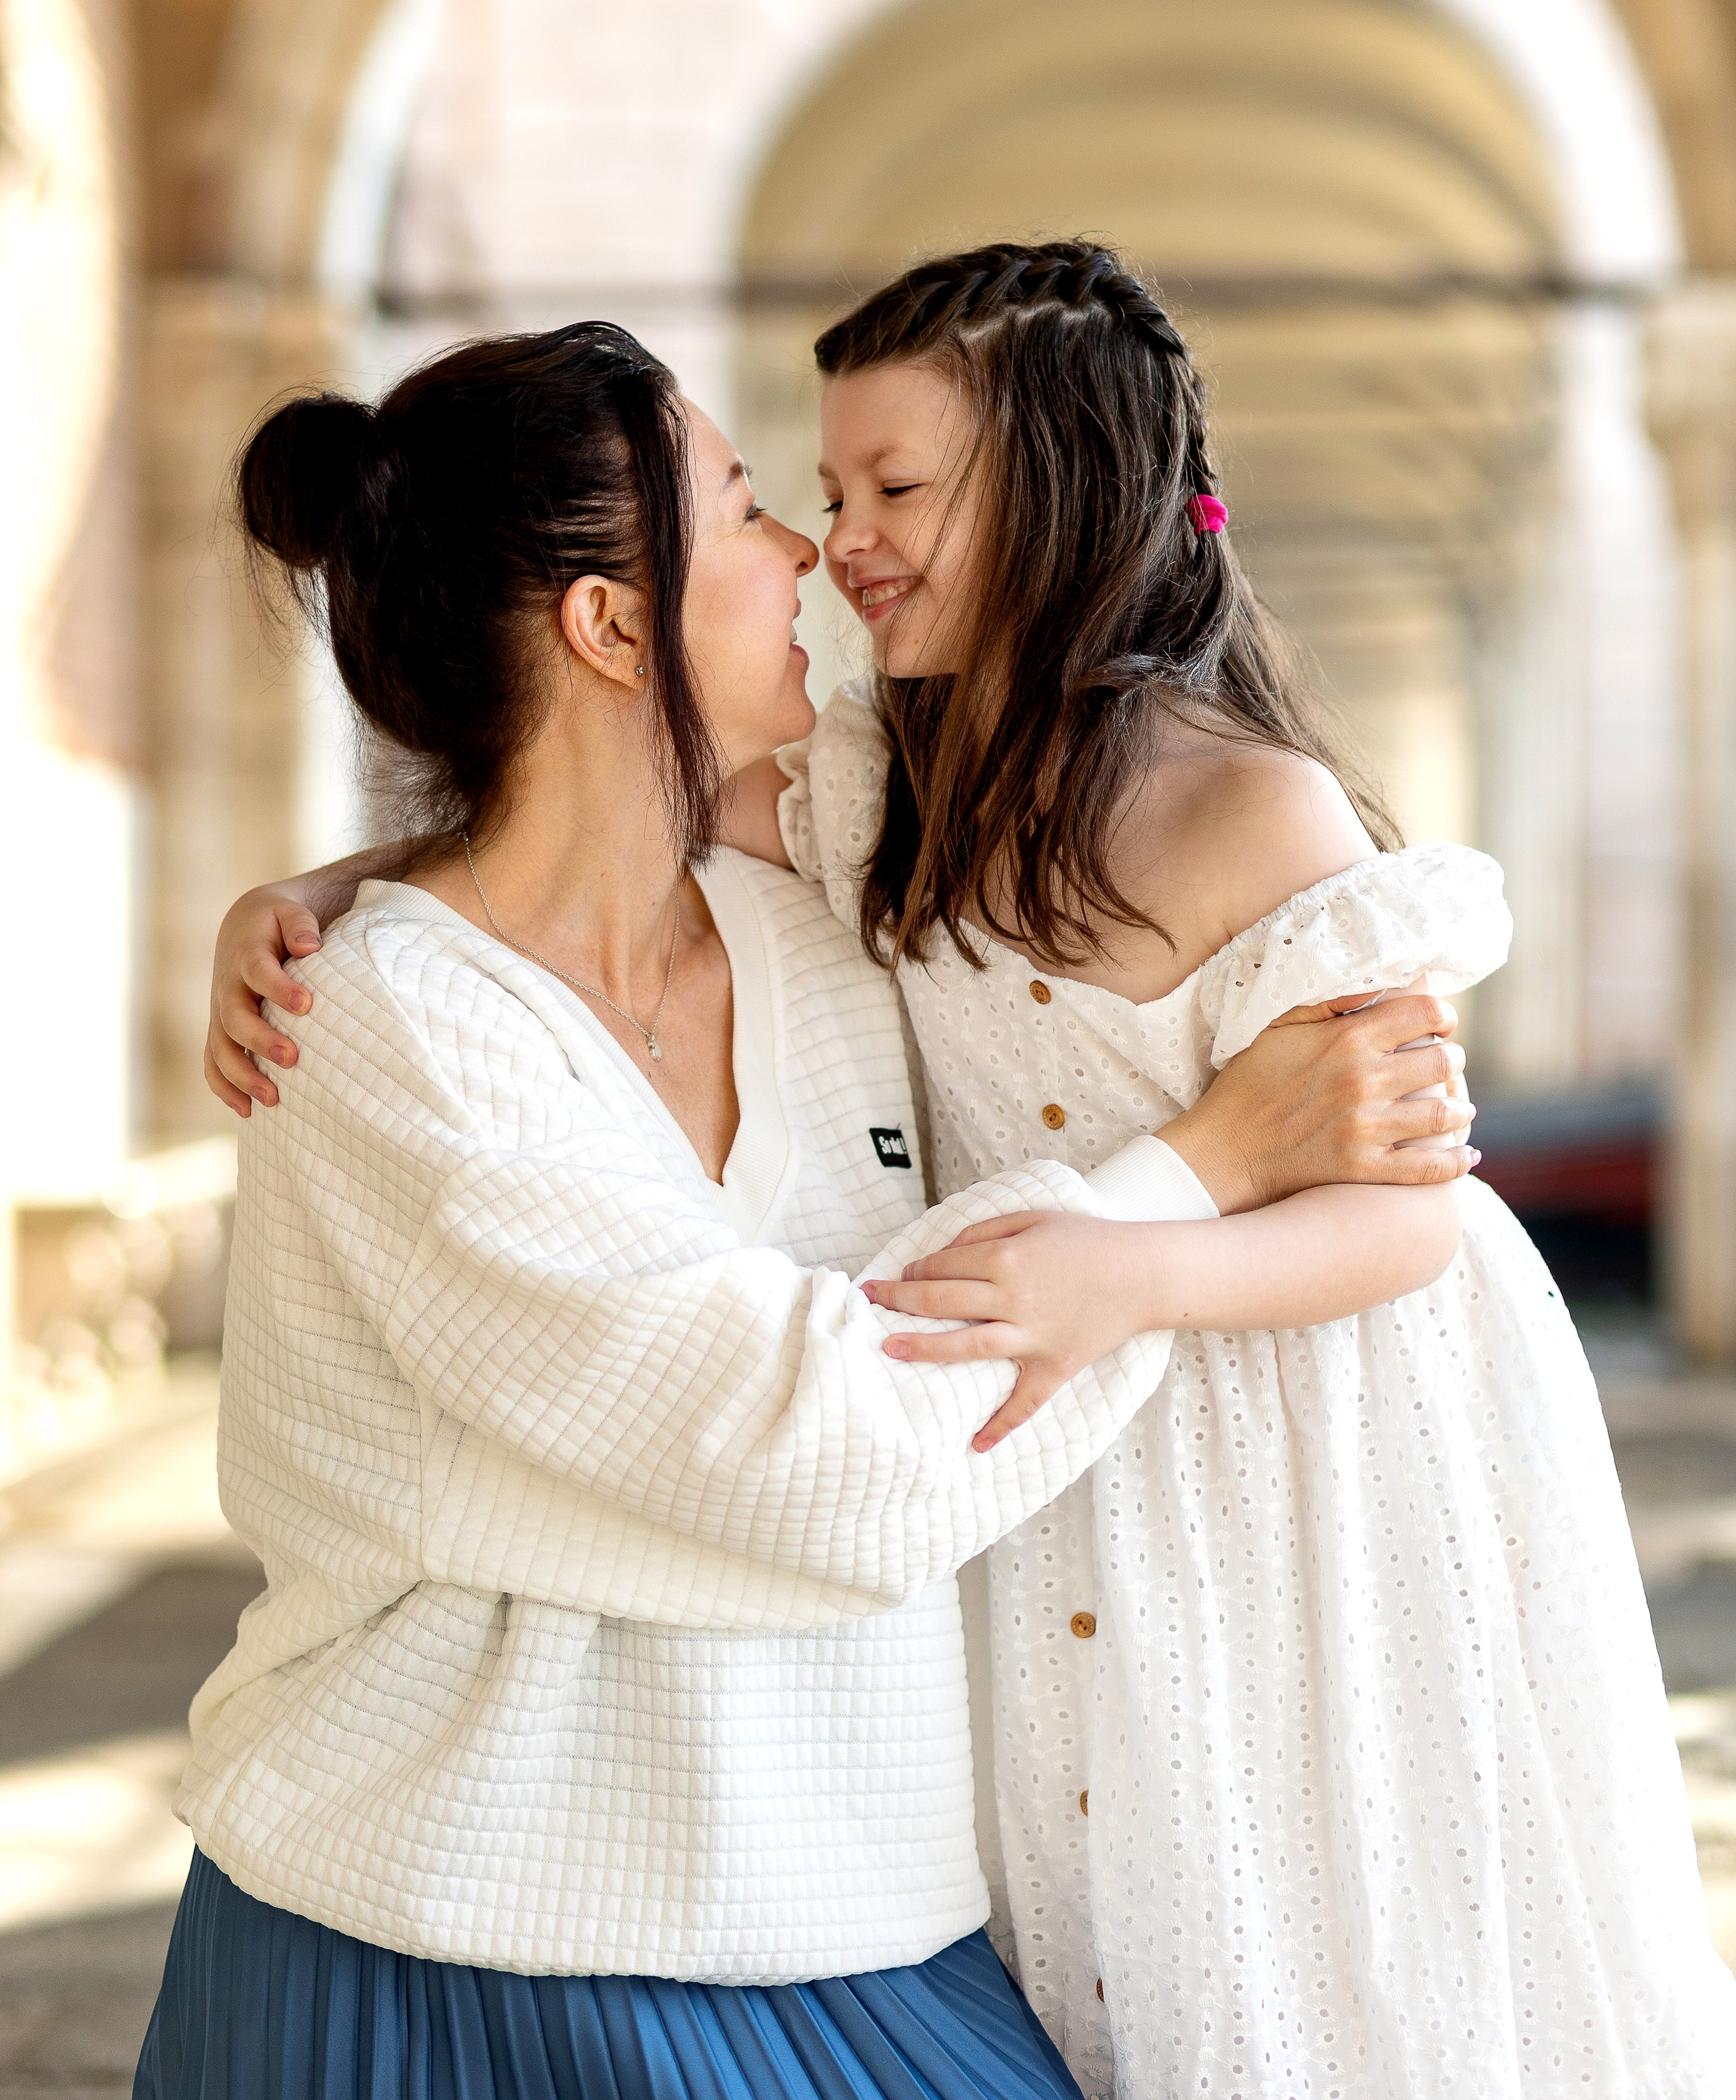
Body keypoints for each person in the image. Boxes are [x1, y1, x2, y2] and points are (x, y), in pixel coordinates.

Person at [163, 320, 1469, 2100]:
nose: (807, 556)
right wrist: (1208, 1170)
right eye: (750, 503)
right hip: (444, 1927)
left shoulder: (822, 925)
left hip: (862, 1914)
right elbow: (814, 1447)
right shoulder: (387, 1019)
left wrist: (326, 873)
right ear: (611, 626)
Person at [724, 239, 1730, 2100]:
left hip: (1310, 1430)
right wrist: (316, 904)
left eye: (898, 488)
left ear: (1062, 491)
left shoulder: (1246, 802)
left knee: (1320, 1909)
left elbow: (1409, 1206)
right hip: (1072, 1450)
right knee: (1108, 1904)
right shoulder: (878, 782)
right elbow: (581, 822)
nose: (845, 536)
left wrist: (1136, 1273)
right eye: (829, 486)